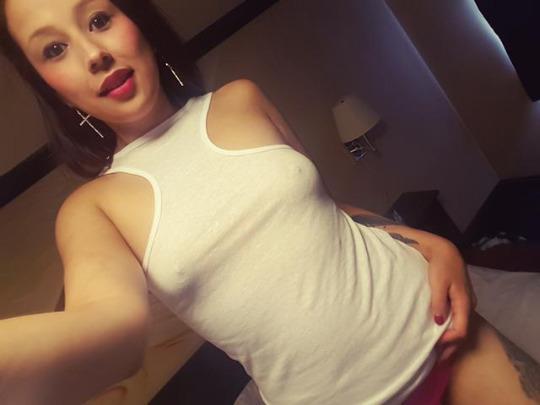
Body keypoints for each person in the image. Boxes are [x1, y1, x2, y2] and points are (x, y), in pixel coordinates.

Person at [0, 0, 538, 404]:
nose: (94, 53)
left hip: (441, 330)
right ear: (50, 87)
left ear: (136, 20)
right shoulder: (92, 209)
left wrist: (432, 244)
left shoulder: (241, 98)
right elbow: (112, 336)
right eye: (54, 49)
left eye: (98, 19)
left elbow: (327, 212)